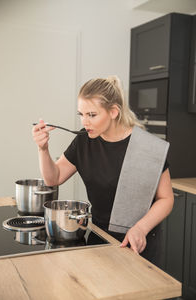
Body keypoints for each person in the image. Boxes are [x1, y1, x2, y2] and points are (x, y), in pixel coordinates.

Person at [32, 76, 174, 267]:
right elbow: (53, 178)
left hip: (139, 242)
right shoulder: (84, 141)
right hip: (99, 238)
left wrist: (140, 228)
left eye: (92, 115)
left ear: (114, 112)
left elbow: (166, 199)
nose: (85, 122)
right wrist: (43, 149)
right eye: (81, 114)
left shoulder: (148, 147)